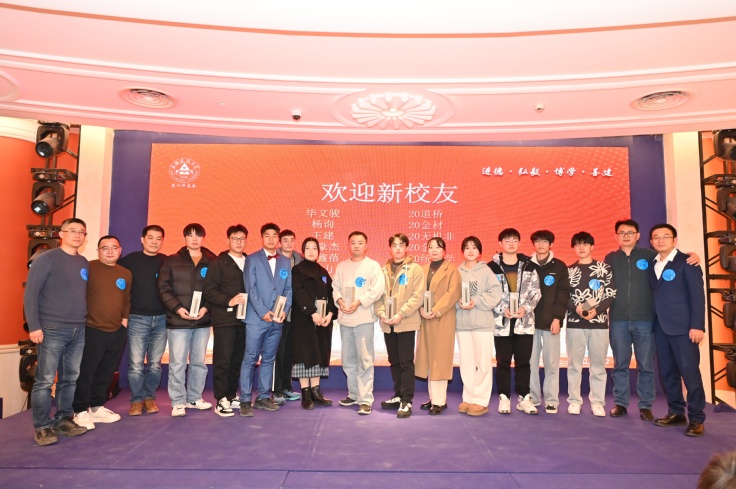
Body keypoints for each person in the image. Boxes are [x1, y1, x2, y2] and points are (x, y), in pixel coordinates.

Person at [604, 218, 700, 421]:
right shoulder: (610, 258)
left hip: (647, 320)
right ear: (616, 236)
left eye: (630, 232)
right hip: (618, 319)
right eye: (622, 233)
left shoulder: (651, 256)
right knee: (620, 365)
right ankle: (620, 403)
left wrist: (693, 255)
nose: (626, 236)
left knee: (646, 366)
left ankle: (645, 405)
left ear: (638, 236)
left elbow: (675, 258)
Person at [25, 217, 89, 446]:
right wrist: (34, 326)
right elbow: (31, 293)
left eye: (81, 232)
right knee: (44, 381)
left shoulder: (83, 262)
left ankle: (63, 420)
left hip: (78, 329)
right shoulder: (46, 258)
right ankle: (42, 427)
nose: (77, 235)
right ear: (61, 234)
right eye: (72, 230)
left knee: (70, 379)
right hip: (52, 329)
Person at [648, 223, 707, 437]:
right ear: (651, 241)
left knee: (690, 374)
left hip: (684, 329)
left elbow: (697, 296)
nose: (661, 240)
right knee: (668, 374)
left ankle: (697, 419)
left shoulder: (687, 262)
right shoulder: (652, 263)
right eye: (656, 237)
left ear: (674, 240)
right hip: (660, 327)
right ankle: (676, 413)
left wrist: (697, 325)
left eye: (666, 236)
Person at [72, 235, 131, 430]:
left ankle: (97, 407)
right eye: (105, 248)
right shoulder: (88, 268)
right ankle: (80, 410)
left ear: (120, 250)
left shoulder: (125, 273)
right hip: (92, 329)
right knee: (86, 372)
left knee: (106, 372)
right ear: (98, 251)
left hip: (117, 331)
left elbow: (126, 299)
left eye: (114, 247)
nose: (110, 251)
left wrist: (124, 321)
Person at [158, 223, 216, 417]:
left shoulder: (211, 261)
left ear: (203, 238)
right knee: (177, 363)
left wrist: (206, 308)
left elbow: (216, 288)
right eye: (190, 235)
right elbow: (163, 288)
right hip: (178, 321)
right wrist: (178, 308)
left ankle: (194, 397)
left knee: (199, 362)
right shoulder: (171, 260)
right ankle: (177, 401)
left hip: (202, 321)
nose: (194, 238)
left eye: (198, 235)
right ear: (184, 238)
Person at [239, 223, 293, 417]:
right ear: (261, 238)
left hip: (277, 320)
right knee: (250, 358)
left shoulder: (285, 261)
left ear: (278, 239)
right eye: (267, 235)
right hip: (256, 319)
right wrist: (263, 311)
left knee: (269, 359)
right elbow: (250, 288)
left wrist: (284, 310)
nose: (271, 239)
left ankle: (263, 397)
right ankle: (245, 399)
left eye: (274, 236)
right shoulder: (252, 259)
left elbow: (288, 289)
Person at [489, 228, 541, 415]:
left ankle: (524, 398)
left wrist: (525, 308)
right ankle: (504, 397)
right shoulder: (491, 267)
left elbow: (536, 292)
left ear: (519, 243)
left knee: (523, 362)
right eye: (507, 240)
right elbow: (488, 293)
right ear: (500, 243)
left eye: (514, 240)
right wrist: (501, 308)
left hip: (524, 323)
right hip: (501, 323)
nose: (511, 244)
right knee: (503, 362)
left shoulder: (529, 266)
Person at [332, 231, 385, 415]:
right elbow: (335, 288)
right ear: (348, 245)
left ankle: (365, 400)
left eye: (360, 243)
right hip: (345, 320)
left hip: (364, 320)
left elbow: (377, 290)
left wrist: (359, 302)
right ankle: (353, 394)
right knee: (348, 360)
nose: (356, 246)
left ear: (366, 246)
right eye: (353, 242)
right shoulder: (341, 266)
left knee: (365, 360)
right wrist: (340, 301)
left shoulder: (373, 266)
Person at [566, 231, 616, 417]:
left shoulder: (604, 269)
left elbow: (610, 293)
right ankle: (574, 401)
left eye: (585, 244)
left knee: (598, 366)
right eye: (577, 244)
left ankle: (597, 402)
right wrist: (576, 308)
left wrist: (598, 310)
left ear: (592, 246)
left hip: (599, 324)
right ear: (573, 248)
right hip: (575, 323)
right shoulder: (568, 271)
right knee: (574, 365)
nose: (581, 247)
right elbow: (563, 295)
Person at [119, 224, 167, 416]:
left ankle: (149, 397)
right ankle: (136, 401)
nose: (154, 242)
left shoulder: (167, 261)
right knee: (136, 364)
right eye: (150, 238)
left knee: (155, 364)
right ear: (142, 240)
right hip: (137, 318)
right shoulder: (129, 261)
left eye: (158, 238)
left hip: (162, 319)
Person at [376, 233, 424, 418]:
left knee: (406, 362)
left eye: (401, 245)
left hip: (405, 322)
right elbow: (378, 297)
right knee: (394, 361)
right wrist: (381, 312)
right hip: (388, 324)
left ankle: (407, 400)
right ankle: (398, 395)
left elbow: (417, 296)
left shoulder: (415, 269)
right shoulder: (383, 270)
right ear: (389, 248)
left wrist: (400, 314)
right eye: (394, 245)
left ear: (407, 248)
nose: (397, 248)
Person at [202, 224, 248, 417]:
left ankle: (231, 394)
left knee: (237, 359)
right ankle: (220, 399)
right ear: (228, 240)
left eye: (242, 239)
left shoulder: (249, 261)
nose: (239, 242)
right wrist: (229, 300)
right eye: (235, 238)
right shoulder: (218, 263)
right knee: (223, 360)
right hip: (224, 319)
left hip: (245, 319)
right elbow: (209, 290)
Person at [455, 236, 502, 416]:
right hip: (462, 324)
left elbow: (495, 293)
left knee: (483, 362)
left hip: (482, 323)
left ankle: (481, 400)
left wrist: (476, 301)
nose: (470, 250)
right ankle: (469, 397)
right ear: (462, 251)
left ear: (480, 252)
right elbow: (450, 294)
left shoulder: (486, 271)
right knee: (466, 362)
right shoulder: (456, 272)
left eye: (474, 247)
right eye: (467, 247)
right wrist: (459, 302)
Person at [416, 237, 462, 415]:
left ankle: (439, 401)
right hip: (425, 318)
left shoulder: (452, 270)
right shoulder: (422, 269)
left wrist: (435, 310)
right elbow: (416, 292)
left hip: (442, 318)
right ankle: (434, 397)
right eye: (430, 247)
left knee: (440, 360)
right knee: (428, 359)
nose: (434, 250)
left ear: (444, 250)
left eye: (438, 247)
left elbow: (453, 293)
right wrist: (421, 308)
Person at [290, 237, 337, 409]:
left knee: (319, 355)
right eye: (308, 248)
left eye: (314, 248)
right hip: (304, 320)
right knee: (304, 356)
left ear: (319, 252)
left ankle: (316, 392)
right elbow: (298, 292)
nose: (311, 251)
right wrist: (312, 312)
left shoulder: (323, 272)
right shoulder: (297, 270)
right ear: (302, 252)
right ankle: (306, 394)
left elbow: (332, 294)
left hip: (322, 322)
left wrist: (330, 314)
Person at [529, 230, 570, 415]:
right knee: (530, 363)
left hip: (551, 323)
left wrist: (557, 318)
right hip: (528, 323)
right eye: (537, 241)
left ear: (551, 244)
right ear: (533, 244)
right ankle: (533, 398)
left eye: (544, 241)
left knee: (552, 363)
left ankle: (552, 400)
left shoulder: (559, 266)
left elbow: (563, 295)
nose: (541, 245)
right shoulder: (527, 265)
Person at [273, 229, 303, 404]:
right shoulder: (273, 259)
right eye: (285, 240)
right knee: (278, 352)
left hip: (295, 315)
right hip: (278, 314)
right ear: (279, 242)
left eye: (292, 240)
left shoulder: (300, 260)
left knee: (289, 353)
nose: (289, 243)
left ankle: (286, 387)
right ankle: (276, 389)